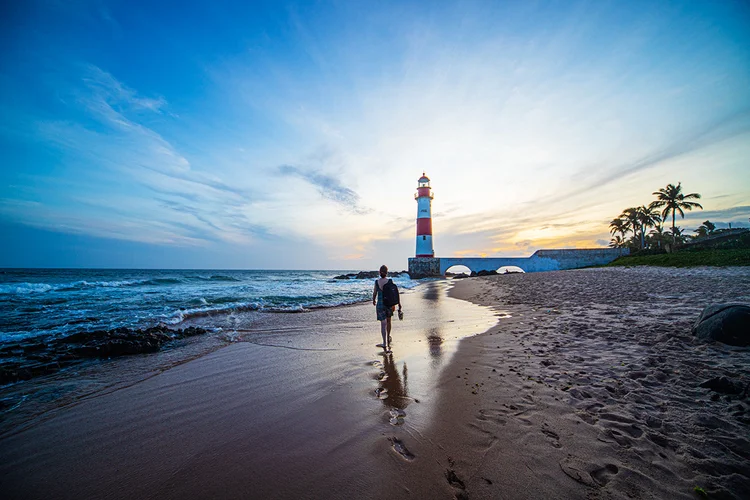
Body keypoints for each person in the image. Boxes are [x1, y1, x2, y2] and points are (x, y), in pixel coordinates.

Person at [372, 265, 401, 352]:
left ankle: (384, 342)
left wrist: (373, 300)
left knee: (383, 324)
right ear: (387, 272)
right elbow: (395, 293)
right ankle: (388, 337)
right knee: (388, 322)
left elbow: (375, 293)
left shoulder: (377, 282)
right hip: (389, 304)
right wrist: (398, 303)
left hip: (380, 304)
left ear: (379, 272)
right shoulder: (390, 281)